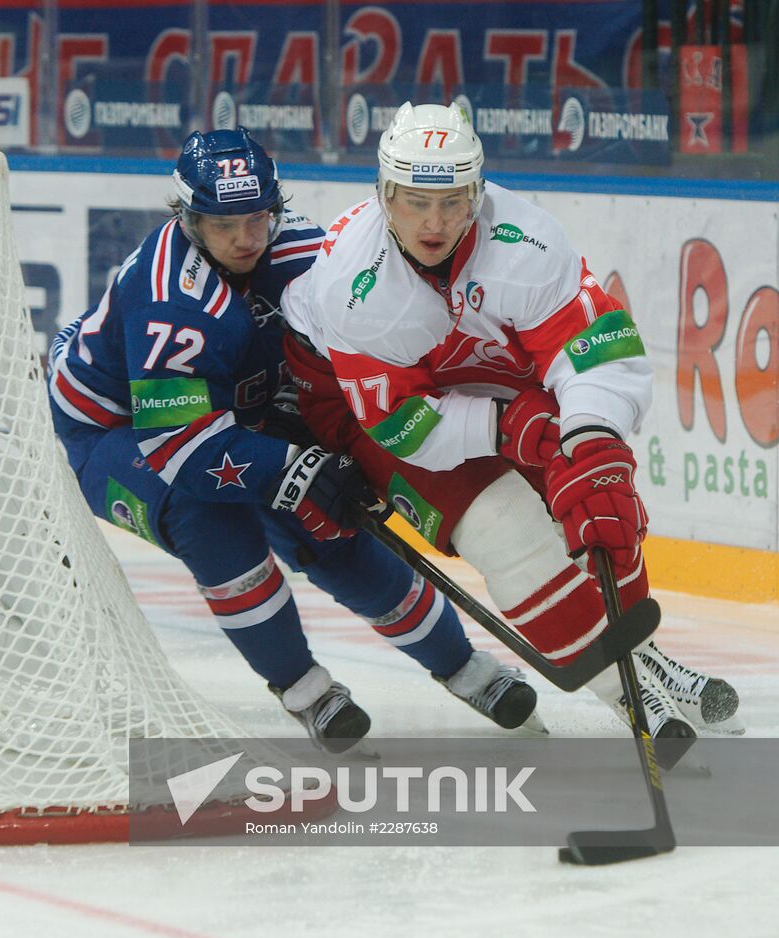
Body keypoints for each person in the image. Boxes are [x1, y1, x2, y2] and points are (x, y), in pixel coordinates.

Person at [47, 126, 543, 753]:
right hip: (117, 427)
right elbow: (179, 449)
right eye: (222, 223)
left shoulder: (306, 251)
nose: (245, 238)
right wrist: (295, 463)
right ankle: (304, 688)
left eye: (258, 217)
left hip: (242, 408)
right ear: (185, 215)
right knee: (213, 521)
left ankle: (463, 667)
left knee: (333, 524)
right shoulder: (172, 301)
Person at [278, 102, 740, 762]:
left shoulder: (527, 240)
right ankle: (628, 690)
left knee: (597, 499)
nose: (434, 222)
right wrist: (503, 425)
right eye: (414, 202)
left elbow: (594, 347)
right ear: (384, 196)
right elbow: (404, 422)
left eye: (452, 200)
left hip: (480, 372)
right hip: (371, 408)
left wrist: (593, 438)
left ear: (478, 191)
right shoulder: (353, 288)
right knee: (503, 529)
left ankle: (646, 659)